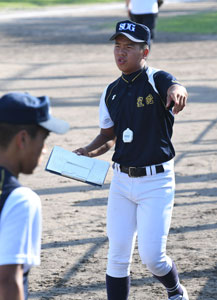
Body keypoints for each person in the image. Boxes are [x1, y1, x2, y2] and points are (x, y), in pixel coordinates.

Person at [75, 19, 189, 300]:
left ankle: (174, 290)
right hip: (122, 182)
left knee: (153, 258)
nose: (120, 52)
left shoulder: (156, 79)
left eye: (129, 46)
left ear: (145, 52)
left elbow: (175, 86)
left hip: (157, 182)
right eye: (117, 45)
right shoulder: (110, 91)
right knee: (117, 255)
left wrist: (177, 91)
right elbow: (108, 137)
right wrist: (87, 152)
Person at [0, 92, 69, 300]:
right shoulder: (19, 200)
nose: (44, 150)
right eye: (43, 138)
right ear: (23, 138)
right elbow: (7, 283)